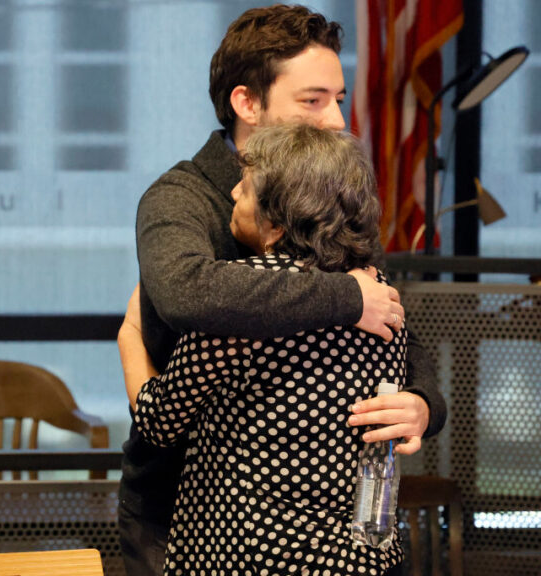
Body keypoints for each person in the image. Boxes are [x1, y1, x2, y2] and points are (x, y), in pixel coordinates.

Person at [118, 6, 446, 575]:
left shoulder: (330, 195)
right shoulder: (181, 196)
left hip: (335, 528)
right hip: (189, 513)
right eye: (312, 100)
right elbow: (189, 294)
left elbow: (393, 323)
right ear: (247, 103)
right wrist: (347, 299)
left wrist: (423, 404)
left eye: (338, 99)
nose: (335, 119)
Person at [126, 123, 405, 575]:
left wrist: (129, 339)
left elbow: (159, 422)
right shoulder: (378, 293)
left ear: (276, 223)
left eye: (247, 186)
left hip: (255, 555)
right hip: (364, 553)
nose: (234, 193)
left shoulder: (245, 307)